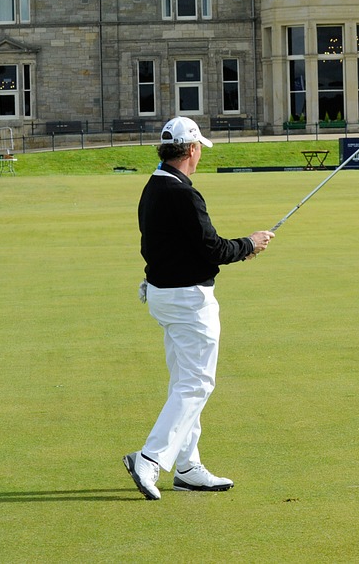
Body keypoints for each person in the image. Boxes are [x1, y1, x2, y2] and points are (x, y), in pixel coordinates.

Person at [123, 116, 275, 501]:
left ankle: (188, 466)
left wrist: (241, 248)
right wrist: (250, 244)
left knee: (183, 382)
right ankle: (150, 458)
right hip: (188, 300)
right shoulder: (183, 193)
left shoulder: (154, 186)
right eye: (199, 150)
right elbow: (213, 249)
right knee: (197, 384)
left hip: (163, 295)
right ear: (191, 150)